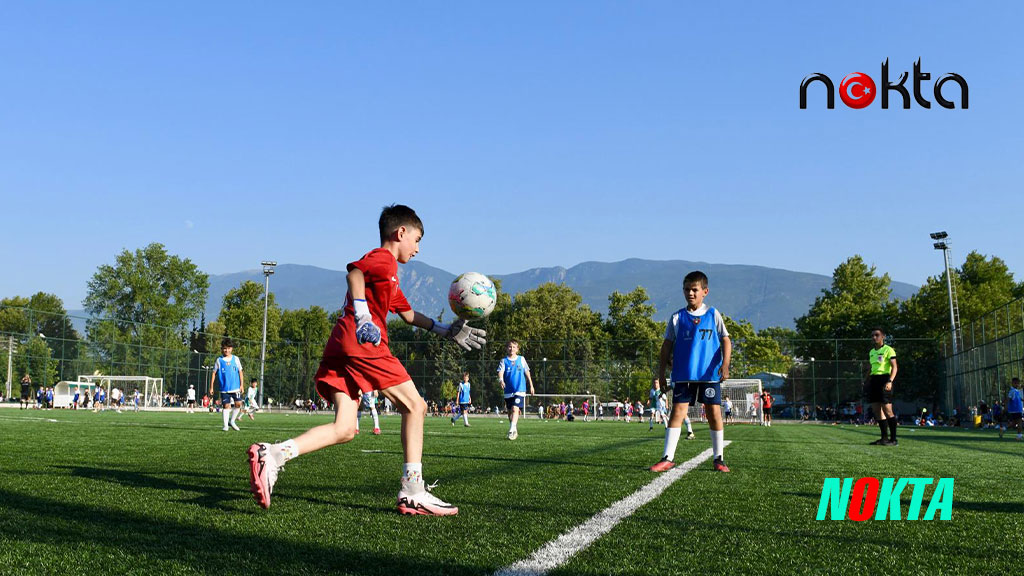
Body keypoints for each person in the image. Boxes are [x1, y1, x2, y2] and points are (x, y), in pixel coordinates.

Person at [247, 204, 485, 515]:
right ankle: (413, 489)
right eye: (417, 239)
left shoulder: (390, 277)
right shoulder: (383, 259)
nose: (417, 248)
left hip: (343, 343)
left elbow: (408, 314)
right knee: (416, 405)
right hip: (364, 344)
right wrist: (363, 317)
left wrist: (445, 330)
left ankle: (274, 454)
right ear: (400, 233)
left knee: (345, 428)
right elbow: (355, 273)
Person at [650, 271, 732, 473]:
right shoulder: (677, 317)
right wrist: (661, 373)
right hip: (684, 374)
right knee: (677, 412)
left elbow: (726, 340)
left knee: (714, 413)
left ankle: (718, 458)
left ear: (705, 291)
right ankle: (667, 457)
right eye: (686, 289)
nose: (690, 293)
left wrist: (725, 365)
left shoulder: (713, 314)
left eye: (694, 290)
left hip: (708, 375)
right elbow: (666, 346)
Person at [498, 339, 535, 440]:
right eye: (510, 346)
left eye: (514, 347)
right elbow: (500, 372)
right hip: (508, 390)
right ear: (507, 348)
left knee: (515, 408)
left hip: (520, 389)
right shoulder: (504, 361)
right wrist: (501, 380)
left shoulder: (521, 359)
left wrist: (531, 385)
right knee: (510, 412)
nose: (512, 349)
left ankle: (511, 430)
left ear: (517, 349)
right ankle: (514, 430)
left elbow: (527, 372)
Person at [867, 328, 899, 446]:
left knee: (887, 410)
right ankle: (884, 438)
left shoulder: (888, 350)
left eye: (877, 335)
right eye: (872, 335)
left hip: (885, 379)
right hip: (874, 380)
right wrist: (866, 380)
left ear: (883, 336)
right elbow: (871, 367)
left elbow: (895, 367)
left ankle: (894, 439)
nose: (874, 337)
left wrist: (890, 381)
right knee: (876, 409)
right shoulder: (871, 352)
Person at [209, 338, 245, 431]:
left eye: (228, 348)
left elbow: (240, 372)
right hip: (224, 388)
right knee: (226, 406)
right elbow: (214, 373)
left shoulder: (236, 359)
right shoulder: (219, 360)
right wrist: (211, 387)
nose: (227, 350)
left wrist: (242, 385)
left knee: (238, 404)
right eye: (225, 348)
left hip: (236, 387)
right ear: (222, 349)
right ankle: (225, 425)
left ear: (231, 348)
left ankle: (232, 421)